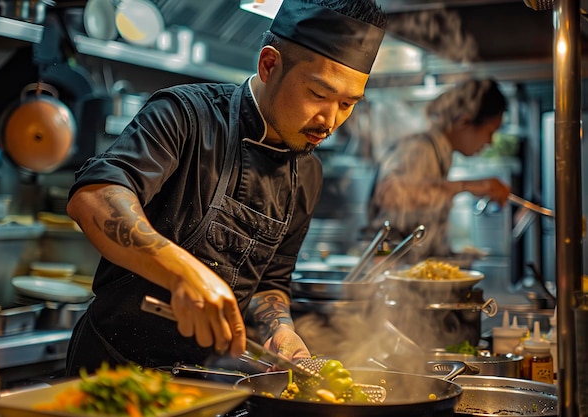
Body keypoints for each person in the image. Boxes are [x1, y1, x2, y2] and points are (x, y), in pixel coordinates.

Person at [64, 0, 387, 375]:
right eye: (318, 95)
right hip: (113, 370)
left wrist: (279, 328)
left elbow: (271, 282)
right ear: (269, 65)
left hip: (211, 385)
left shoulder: (308, 173)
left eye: (348, 104)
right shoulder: (184, 115)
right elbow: (94, 198)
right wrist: (181, 270)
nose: (330, 121)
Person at [367, 78, 511, 264]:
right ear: (464, 122)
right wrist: (467, 186)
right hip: (389, 272)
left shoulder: (439, 153)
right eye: (490, 132)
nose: (490, 142)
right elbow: (390, 194)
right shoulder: (421, 149)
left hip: (406, 274)